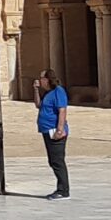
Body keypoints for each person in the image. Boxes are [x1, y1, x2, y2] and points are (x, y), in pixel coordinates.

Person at [33, 69, 70, 198]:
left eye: (42, 78)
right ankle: (61, 188)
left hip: (55, 131)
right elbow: (38, 105)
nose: (40, 80)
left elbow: (62, 111)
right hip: (46, 131)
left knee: (57, 161)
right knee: (53, 161)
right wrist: (36, 90)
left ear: (48, 79)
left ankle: (63, 190)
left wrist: (60, 130)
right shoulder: (48, 93)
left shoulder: (58, 92)